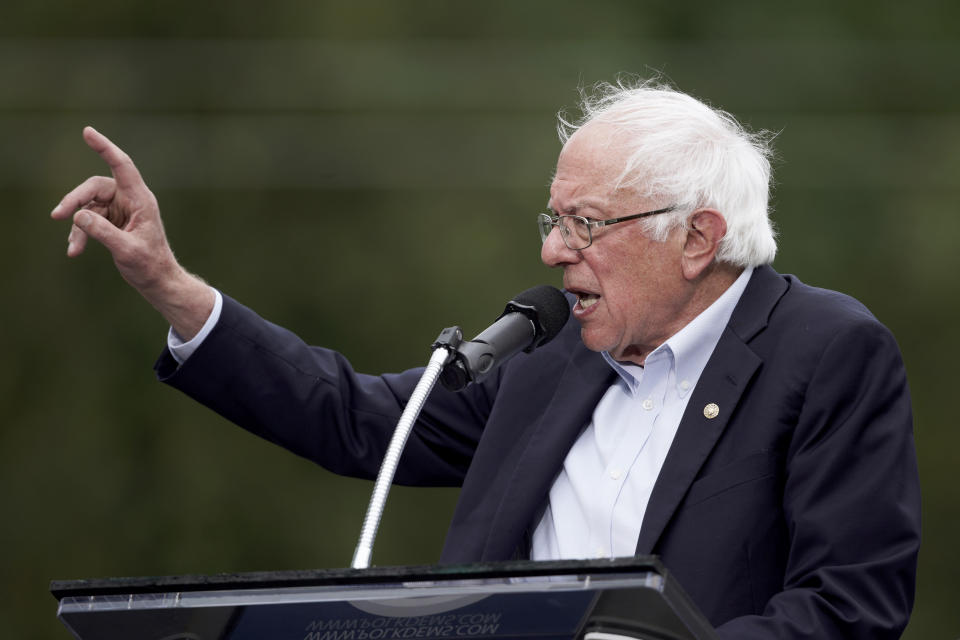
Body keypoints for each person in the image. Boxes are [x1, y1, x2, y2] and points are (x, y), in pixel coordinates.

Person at [51, 80, 920, 639]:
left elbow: (851, 609)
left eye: (585, 224)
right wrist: (173, 288)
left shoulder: (826, 352)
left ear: (697, 238)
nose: (552, 253)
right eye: (552, 219)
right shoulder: (550, 356)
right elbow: (355, 420)